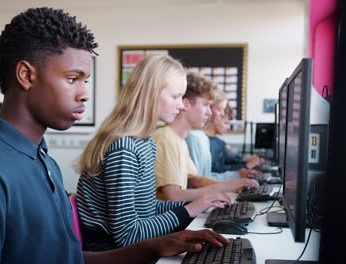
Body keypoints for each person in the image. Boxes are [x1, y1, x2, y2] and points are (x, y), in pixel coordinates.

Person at [0, 7, 228, 264]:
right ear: (26, 75)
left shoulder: (42, 161)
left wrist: (154, 245)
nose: (85, 94)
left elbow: (68, 258)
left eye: (85, 81)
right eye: (72, 79)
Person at [76, 55, 229, 252]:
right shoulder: (124, 148)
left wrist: (196, 204)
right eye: (175, 97)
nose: (182, 105)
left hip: (131, 248)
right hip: (115, 253)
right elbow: (128, 235)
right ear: (150, 94)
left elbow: (146, 209)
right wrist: (189, 210)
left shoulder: (145, 142)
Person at [153, 72, 259, 203]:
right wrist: (220, 190)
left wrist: (232, 184)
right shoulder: (165, 138)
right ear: (186, 104)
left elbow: (197, 179)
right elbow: (173, 196)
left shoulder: (179, 140)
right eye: (205, 105)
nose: (209, 112)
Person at [205, 105, 264, 174]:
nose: (229, 127)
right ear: (215, 119)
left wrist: (245, 161)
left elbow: (228, 160)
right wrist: (246, 166)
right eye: (226, 123)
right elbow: (216, 169)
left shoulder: (219, 142)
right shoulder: (205, 142)